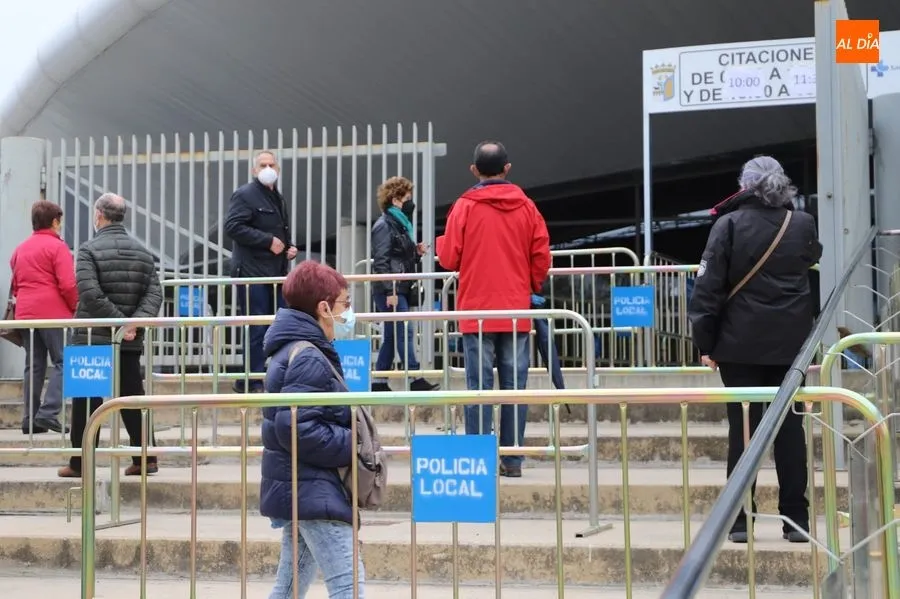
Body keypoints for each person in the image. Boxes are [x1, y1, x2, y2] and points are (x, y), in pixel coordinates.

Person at [688, 156, 822, 544]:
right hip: (791, 346)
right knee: (790, 430)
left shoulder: (727, 224)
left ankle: (740, 520)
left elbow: (708, 289)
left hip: (737, 345)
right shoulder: (801, 223)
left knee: (742, 432)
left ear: (744, 185)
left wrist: (706, 343)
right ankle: (796, 520)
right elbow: (812, 256)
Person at [436, 141, 551, 478]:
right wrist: (529, 286)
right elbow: (541, 256)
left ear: (474, 170)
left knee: (479, 387)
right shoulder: (527, 207)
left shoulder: (464, 207)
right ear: (507, 169)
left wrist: (444, 245)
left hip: (476, 313)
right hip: (516, 310)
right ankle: (512, 460)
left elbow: (449, 258)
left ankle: (478, 461)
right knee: (515, 386)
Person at [260, 260, 364, 598]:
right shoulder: (309, 356)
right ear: (323, 307)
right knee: (349, 585)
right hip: (312, 487)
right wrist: (354, 441)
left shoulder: (296, 348)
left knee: (290, 586)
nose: (348, 313)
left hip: (301, 486)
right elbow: (296, 427)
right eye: (344, 304)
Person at [58, 193, 163, 478]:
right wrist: (132, 325)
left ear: (99, 215)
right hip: (128, 341)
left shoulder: (88, 250)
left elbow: (89, 294)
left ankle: (80, 462)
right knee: (132, 400)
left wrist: (119, 324)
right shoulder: (143, 252)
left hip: (92, 336)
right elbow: (155, 293)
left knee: (85, 402)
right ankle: (146, 458)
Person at [224, 150, 298, 393]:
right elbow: (233, 226)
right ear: (254, 170)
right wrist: (268, 241)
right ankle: (251, 379)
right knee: (256, 326)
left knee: (275, 325)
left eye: (271, 164)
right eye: (262, 165)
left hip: (274, 272)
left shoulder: (276, 196)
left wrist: (286, 248)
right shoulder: (246, 194)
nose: (267, 168)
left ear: (277, 169)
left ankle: (266, 374)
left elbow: (278, 232)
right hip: (251, 272)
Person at [9, 200, 77, 435]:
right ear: (55, 221)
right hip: (53, 314)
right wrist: (75, 306)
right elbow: (68, 284)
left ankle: (30, 418)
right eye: (60, 221)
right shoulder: (58, 248)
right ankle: (48, 413)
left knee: (34, 365)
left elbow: (16, 284)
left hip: (26, 314)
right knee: (62, 361)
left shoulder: (21, 248)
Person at [370, 176, 438, 393]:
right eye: (407, 198)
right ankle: (415, 378)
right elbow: (381, 260)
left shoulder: (400, 224)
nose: (410, 202)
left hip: (399, 287)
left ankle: (379, 382)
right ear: (395, 199)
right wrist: (390, 289)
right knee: (403, 331)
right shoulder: (384, 225)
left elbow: (400, 257)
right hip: (391, 289)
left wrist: (416, 252)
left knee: (392, 334)